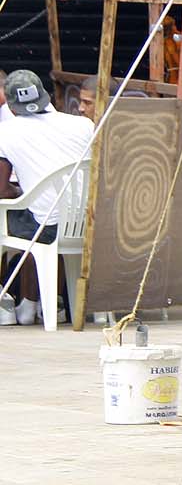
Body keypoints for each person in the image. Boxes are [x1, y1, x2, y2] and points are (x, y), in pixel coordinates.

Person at [0, 70, 93, 326]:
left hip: (45, 228)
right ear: (45, 96)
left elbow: (1, 190)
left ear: (12, 106)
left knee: (22, 214)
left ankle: (9, 301)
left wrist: (21, 191)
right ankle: (46, 303)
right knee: (42, 210)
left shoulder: (6, 131)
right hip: (85, 225)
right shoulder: (83, 124)